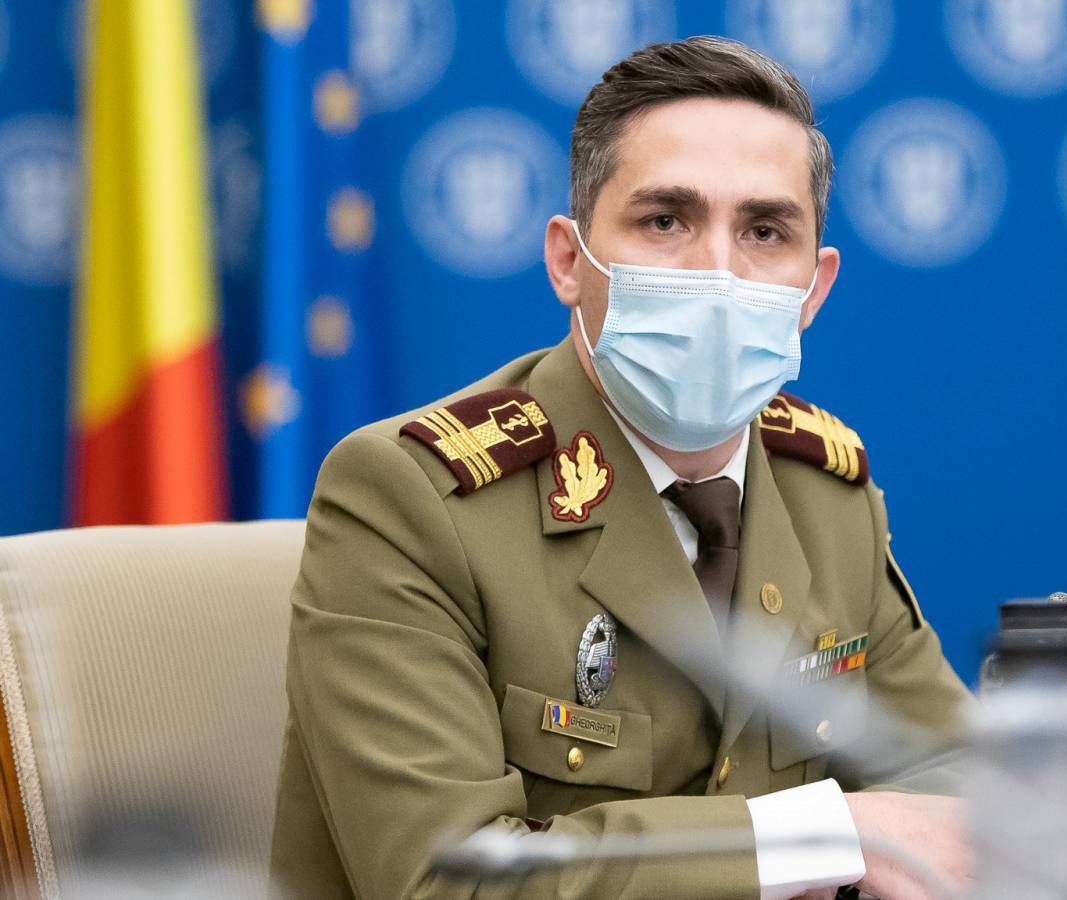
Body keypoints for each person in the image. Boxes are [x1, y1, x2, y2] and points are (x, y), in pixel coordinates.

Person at [271, 36, 974, 900]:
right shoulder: (407, 498)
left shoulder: (824, 488)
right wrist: (824, 838)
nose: (718, 273)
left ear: (814, 289)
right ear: (570, 261)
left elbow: (956, 785)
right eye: (666, 221)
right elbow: (451, 881)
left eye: (764, 231)